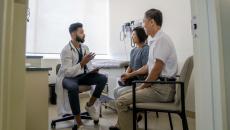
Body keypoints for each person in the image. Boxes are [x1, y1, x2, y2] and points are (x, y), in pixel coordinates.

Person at [109, 8, 178, 130]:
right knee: (120, 94)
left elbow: (156, 70)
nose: (143, 25)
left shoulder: (161, 40)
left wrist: (141, 87)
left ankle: (125, 126)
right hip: (156, 86)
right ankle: (127, 125)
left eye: (144, 22)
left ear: (152, 22)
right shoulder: (155, 41)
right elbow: (148, 66)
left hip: (162, 90)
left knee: (121, 101)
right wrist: (131, 76)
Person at [55, 22, 107, 129]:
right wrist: (82, 63)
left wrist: (93, 71)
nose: (84, 34)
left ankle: (89, 105)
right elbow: (68, 72)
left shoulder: (85, 48)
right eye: (81, 32)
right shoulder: (66, 50)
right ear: (73, 34)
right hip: (67, 78)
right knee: (73, 87)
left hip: (82, 76)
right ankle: (79, 122)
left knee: (102, 78)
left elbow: (88, 66)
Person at [113, 26, 149, 99]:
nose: (132, 37)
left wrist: (130, 75)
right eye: (132, 35)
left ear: (140, 35)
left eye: (134, 35)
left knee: (120, 93)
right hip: (133, 79)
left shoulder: (146, 49)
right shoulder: (133, 50)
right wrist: (125, 75)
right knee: (115, 91)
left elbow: (146, 68)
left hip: (141, 81)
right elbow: (130, 66)